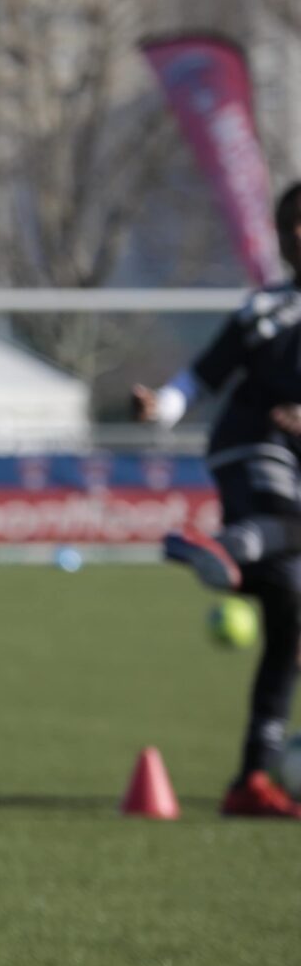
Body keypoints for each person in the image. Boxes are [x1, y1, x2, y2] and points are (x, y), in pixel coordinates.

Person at [134, 180, 301, 819]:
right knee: (284, 526)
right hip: (250, 445)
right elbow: (201, 376)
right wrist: (161, 409)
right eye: (292, 225)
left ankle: (251, 781)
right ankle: (221, 547)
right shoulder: (266, 310)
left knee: (289, 616)